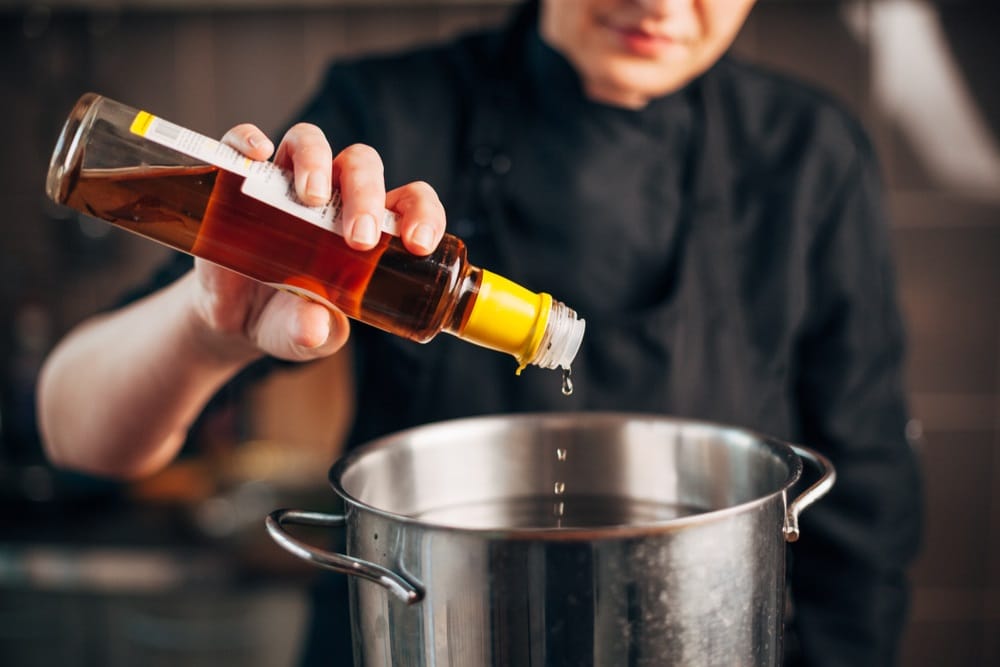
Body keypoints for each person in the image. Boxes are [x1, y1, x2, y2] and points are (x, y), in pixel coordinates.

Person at [37, 0, 923, 664]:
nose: (660, 2)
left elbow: (866, 519)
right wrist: (206, 327)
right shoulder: (389, 111)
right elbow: (74, 431)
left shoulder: (811, 157)